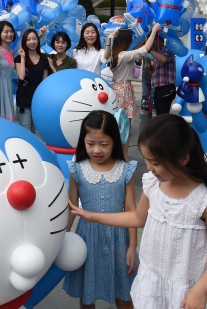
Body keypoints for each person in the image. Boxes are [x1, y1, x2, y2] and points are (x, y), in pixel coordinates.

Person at [69, 114, 207, 309]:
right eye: (147, 160)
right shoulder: (153, 183)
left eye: (155, 163)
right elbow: (138, 217)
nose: (149, 168)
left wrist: (202, 288)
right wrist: (92, 216)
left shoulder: (206, 203)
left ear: (183, 159)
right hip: (151, 281)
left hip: (186, 289)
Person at [63, 110, 138, 309]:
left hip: (119, 240)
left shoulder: (125, 169)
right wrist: (63, 237)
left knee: (124, 294)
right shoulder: (77, 169)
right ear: (83, 142)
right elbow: (72, 208)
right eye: (91, 144)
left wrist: (132, 246)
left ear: (114, 141)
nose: (97, 150)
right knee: (87, 294)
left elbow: (132, 211)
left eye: (104, 144)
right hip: (87, 238)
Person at [105, 25, 159, 159]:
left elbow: (136, 51)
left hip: (117, 88)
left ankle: (118, 155)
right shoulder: (124, 56)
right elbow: (145, 49)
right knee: (124, 127)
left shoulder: (116, 55)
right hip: (125, 90)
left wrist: (137, 46)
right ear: (125, 41)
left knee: (117, 125)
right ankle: (124, 156)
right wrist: (154, 31)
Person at [15, 27, 50, 132]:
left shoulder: (44, 58)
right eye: (29, 39)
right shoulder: (18, 59)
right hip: (24, 101)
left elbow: (44, 82)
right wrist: (22, 58)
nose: (32, 42)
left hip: (37, 102)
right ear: (24, 42)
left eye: (34, 39)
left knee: (34, 132)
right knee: (26, 132)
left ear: (38, 40)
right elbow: (21, 76)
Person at [149, 35, 176, 116]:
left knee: (162, 115)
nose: (151, 43)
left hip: (165, 88)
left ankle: (166, 128)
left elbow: (164, 59)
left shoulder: (166, 49)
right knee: (160, 113)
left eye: (152, 40)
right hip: (159, 88)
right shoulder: (158, 52)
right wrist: (150, 70)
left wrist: (149, 50)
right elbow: (159, 74)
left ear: (159, 40)